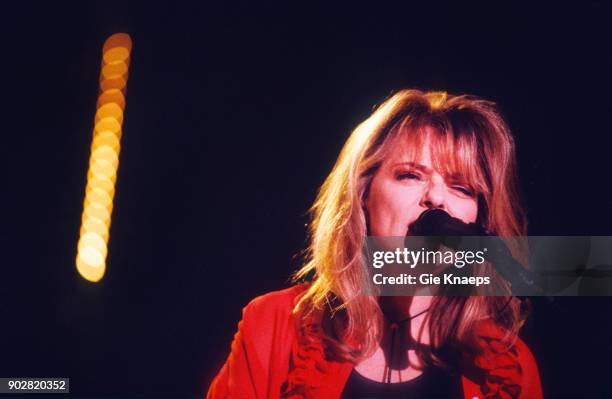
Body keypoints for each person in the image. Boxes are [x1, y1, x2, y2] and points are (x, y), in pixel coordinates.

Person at [206, 89, 543, 399]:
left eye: (462, 188)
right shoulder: (274, 323)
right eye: (411, 175)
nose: (437, 198)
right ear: (364, 193)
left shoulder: (507, 369)